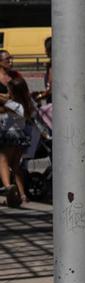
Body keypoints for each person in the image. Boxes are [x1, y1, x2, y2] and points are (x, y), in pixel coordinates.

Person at [1, 77, 34, 207]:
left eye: (9, 90)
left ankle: (8, 186)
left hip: (9, 135)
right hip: (21, 137)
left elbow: (4, 100)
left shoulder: (12, 104)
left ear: (13, 91)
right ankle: (21, 194)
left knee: (3, 161)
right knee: (15, 166)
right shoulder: (26, 103)